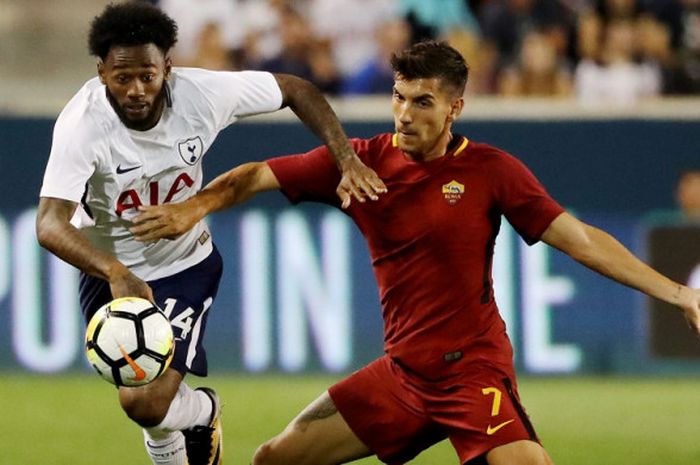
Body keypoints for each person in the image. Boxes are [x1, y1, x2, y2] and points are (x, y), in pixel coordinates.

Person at [128, 41, 700, 465]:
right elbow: (255, 175)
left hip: (471, 372)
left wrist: (679, 293)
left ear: (455, 109)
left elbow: (581, 241)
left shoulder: (491, 171)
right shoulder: (360, 162)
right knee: (272, 461)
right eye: (399, 97)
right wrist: (193, 208)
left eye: (422, 102)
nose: (404, 114)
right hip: (402, 377)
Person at [35, 3, 385, 465]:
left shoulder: (204, 93)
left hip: (183, 265)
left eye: (148, 74)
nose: (137, 89)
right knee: (149, 410)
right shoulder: (83, 125)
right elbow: (49, 223)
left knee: (145, 401)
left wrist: (346, 158)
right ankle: (200, 414)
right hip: (110, 272)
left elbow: (297, 89)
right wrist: (115, 271)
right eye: (122, 78)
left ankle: (201, 412)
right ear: (101, 73)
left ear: (168, 67)